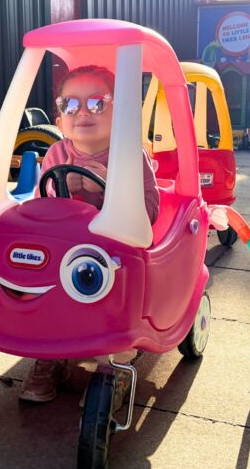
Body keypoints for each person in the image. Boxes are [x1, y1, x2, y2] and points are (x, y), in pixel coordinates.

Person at [20, 65, 160, 402]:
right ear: (59, 119)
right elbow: (39, 206)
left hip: (115, 253)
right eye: (70, 105)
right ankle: (51, 356)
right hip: (65, 250)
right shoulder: (56, 154)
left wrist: (112, 189)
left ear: (119, 113)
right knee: (42, 290)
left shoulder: (130, 156)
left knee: (117, 300)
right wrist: (57, 192)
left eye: (97, 103)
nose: (82, 112)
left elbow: (150, 210)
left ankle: (113, 366)